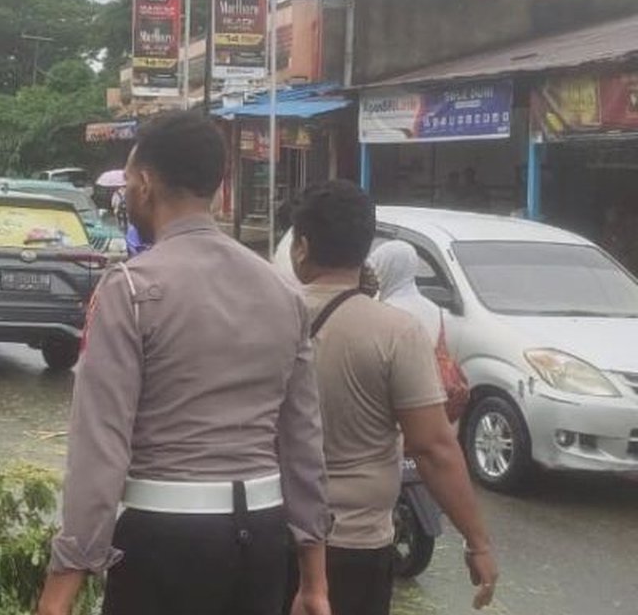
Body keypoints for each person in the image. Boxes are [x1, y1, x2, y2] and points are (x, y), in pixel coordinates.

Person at [38, 111, 332, 615]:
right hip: (262, 538)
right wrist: (314, 581)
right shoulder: (282, 291)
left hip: (164, 537)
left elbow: (100, 448)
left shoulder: (130, 288)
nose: (126, 194)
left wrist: (61, 588)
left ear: (146, 184)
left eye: (128, 182)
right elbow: (302, 439)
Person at [285, 180, 498, 615]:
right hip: (355, 543)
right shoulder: (394, 332)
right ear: (364, 247)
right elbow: (433, 448)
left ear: (302, 247)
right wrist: (477, 542)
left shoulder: (265, 317)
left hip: (270, 534)